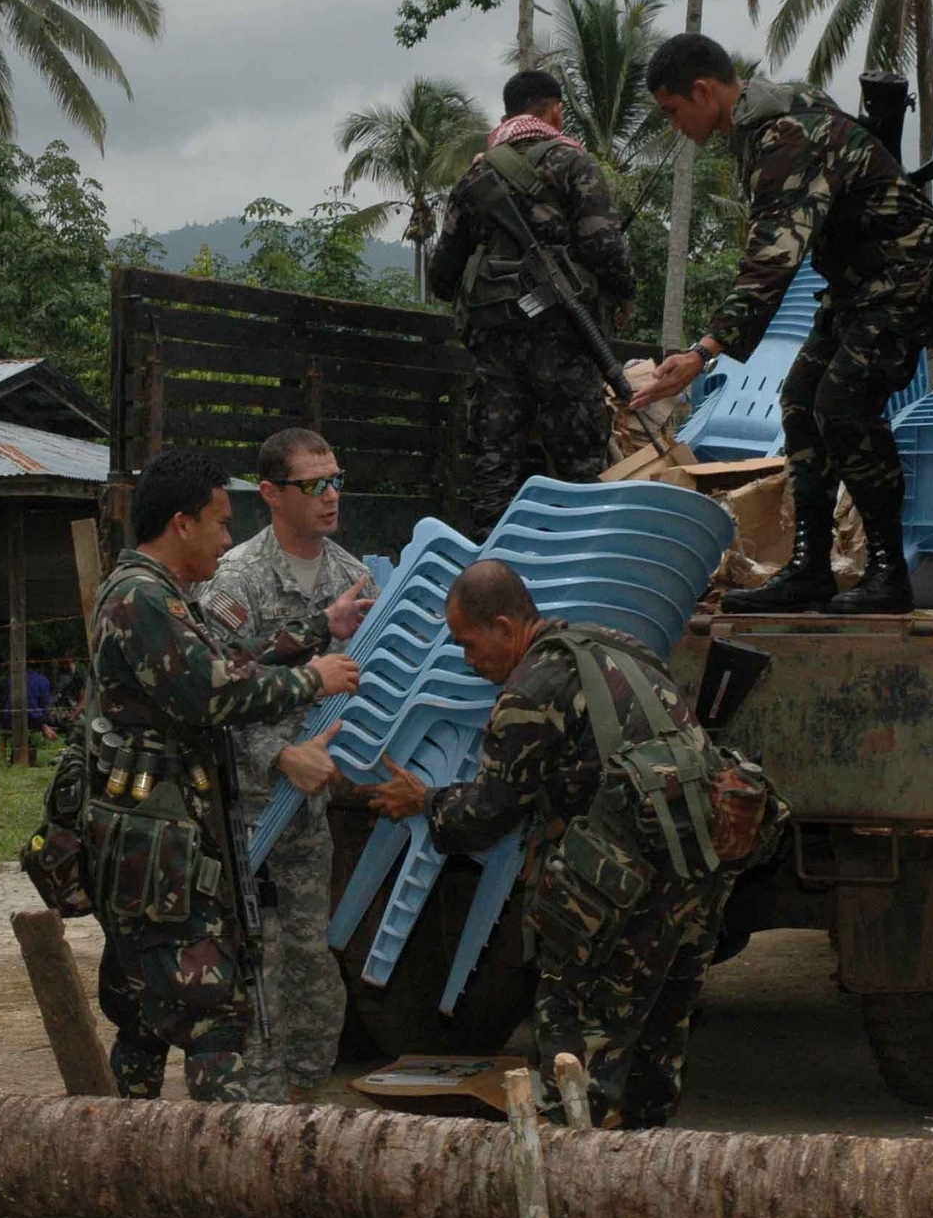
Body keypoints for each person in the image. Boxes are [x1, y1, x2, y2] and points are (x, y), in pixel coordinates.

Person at [369, 560, 785, 1128]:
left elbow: (487, 813)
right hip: (698, 874)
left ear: (504, 624)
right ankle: (645, 1174)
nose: (469, 660)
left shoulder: (531, 689)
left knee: (574, 1047)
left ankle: (570, 1188)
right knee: (656, 1048)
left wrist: (424, 802)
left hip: (627, 888)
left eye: (469, 643)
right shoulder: (617, 646)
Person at [631, 34, 933, 615]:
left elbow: (773, 258)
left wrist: (702, 353)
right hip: (858, 283)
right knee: (799, 401)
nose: (675, 126)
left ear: (703, 91)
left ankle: (890, 575)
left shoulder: (783, 135)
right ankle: (809, 569)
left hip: (906, 271)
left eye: (672, 111)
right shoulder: (767, 118)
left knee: (843, 404)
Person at [87, 448, 358, 1103]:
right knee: (214, 1013)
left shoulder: (157, 596)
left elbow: (223, 656)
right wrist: (311, 678)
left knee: (148, 1010)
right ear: (182, 524)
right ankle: (222, 1159)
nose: (227, 537)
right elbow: (213, 691)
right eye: (218, 522)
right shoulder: (140, 600)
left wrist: (316, 628)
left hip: (151, 844)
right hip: (159, 848)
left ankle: (133, 1150)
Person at [199, 427, 377, 1104]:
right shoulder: (234, 579)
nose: (332, 496)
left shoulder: (351, 579)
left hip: (308, 818)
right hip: (240, 814)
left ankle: (302, 1106)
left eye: (337, 480)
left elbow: (368, 683)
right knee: (253, 969)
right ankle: (248, 1118)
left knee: (311, 969)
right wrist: (276, 752)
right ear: (271, 494)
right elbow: (209, 694)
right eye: (314, 484)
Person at [428, 69, 636, 539]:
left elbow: (443, 275)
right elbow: (604, 248)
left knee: (494, 460)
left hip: (496, 342)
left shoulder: (476, 174)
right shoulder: (574, 164)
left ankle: (489, 569)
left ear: (507, 115)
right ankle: (577, 555)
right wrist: (621, 294)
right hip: (567, 338)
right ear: (556, 111)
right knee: (580, 460)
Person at [4, 660, 57, 744]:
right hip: (31, 720)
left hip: (9, 719)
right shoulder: (43, 680)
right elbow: (44, 705)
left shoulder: (12, 678)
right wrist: (43, 723)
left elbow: (7, 699)